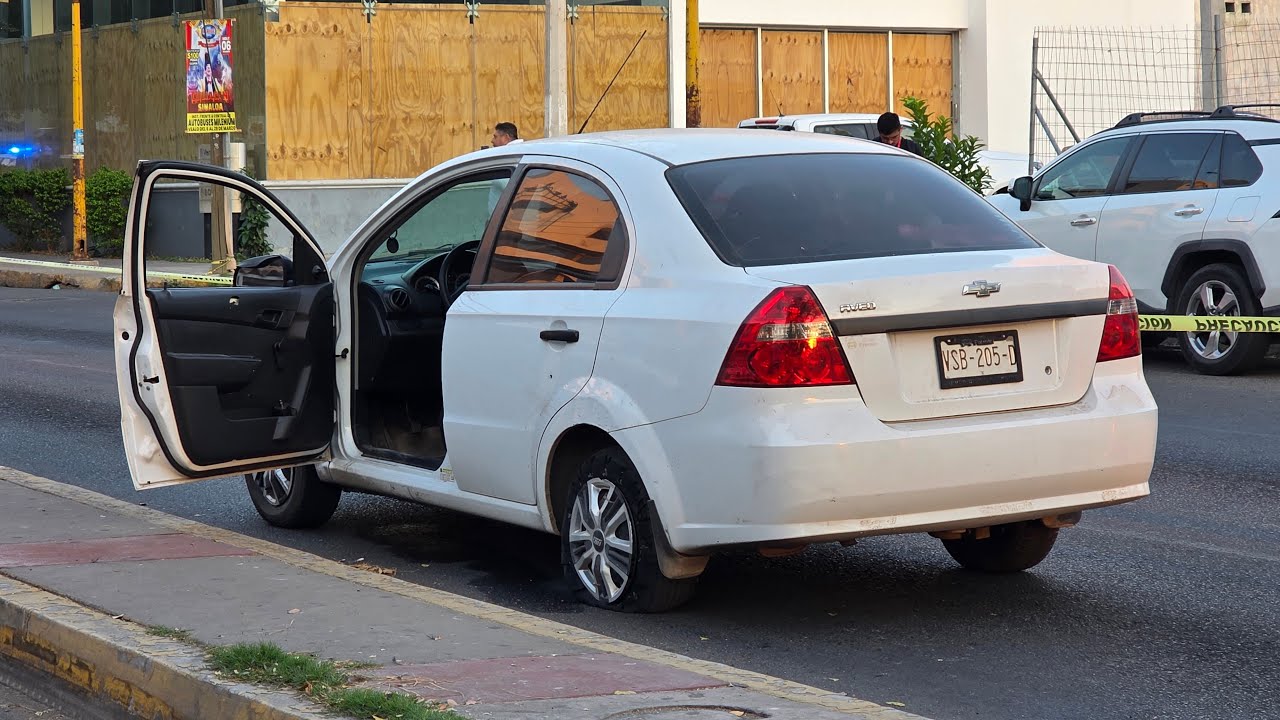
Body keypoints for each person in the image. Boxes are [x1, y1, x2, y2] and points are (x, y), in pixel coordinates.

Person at [488, 122, 523, 213]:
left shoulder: (510, 156)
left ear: (506, 137)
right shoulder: (518, 152)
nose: (492, 141)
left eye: (495, 137)